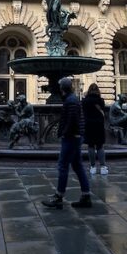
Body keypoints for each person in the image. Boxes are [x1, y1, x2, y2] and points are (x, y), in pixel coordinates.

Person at [43, 77, 93, 209]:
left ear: (62, 88)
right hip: (75, 136)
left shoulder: (70, 101)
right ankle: (86, 196)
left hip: (71, 137)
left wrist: (63, 133)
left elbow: (71, 120)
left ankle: (59, 197)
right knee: (77, 166)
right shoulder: (72, 99)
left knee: (63, 165)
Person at [82, 83, 109, 175]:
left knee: (90, 146)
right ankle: (103, 167)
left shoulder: (85, 101)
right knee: (100, 146)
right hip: (99, 125)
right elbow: (103, 111)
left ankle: (92, 167)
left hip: (89, 124)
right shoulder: (100, 100)